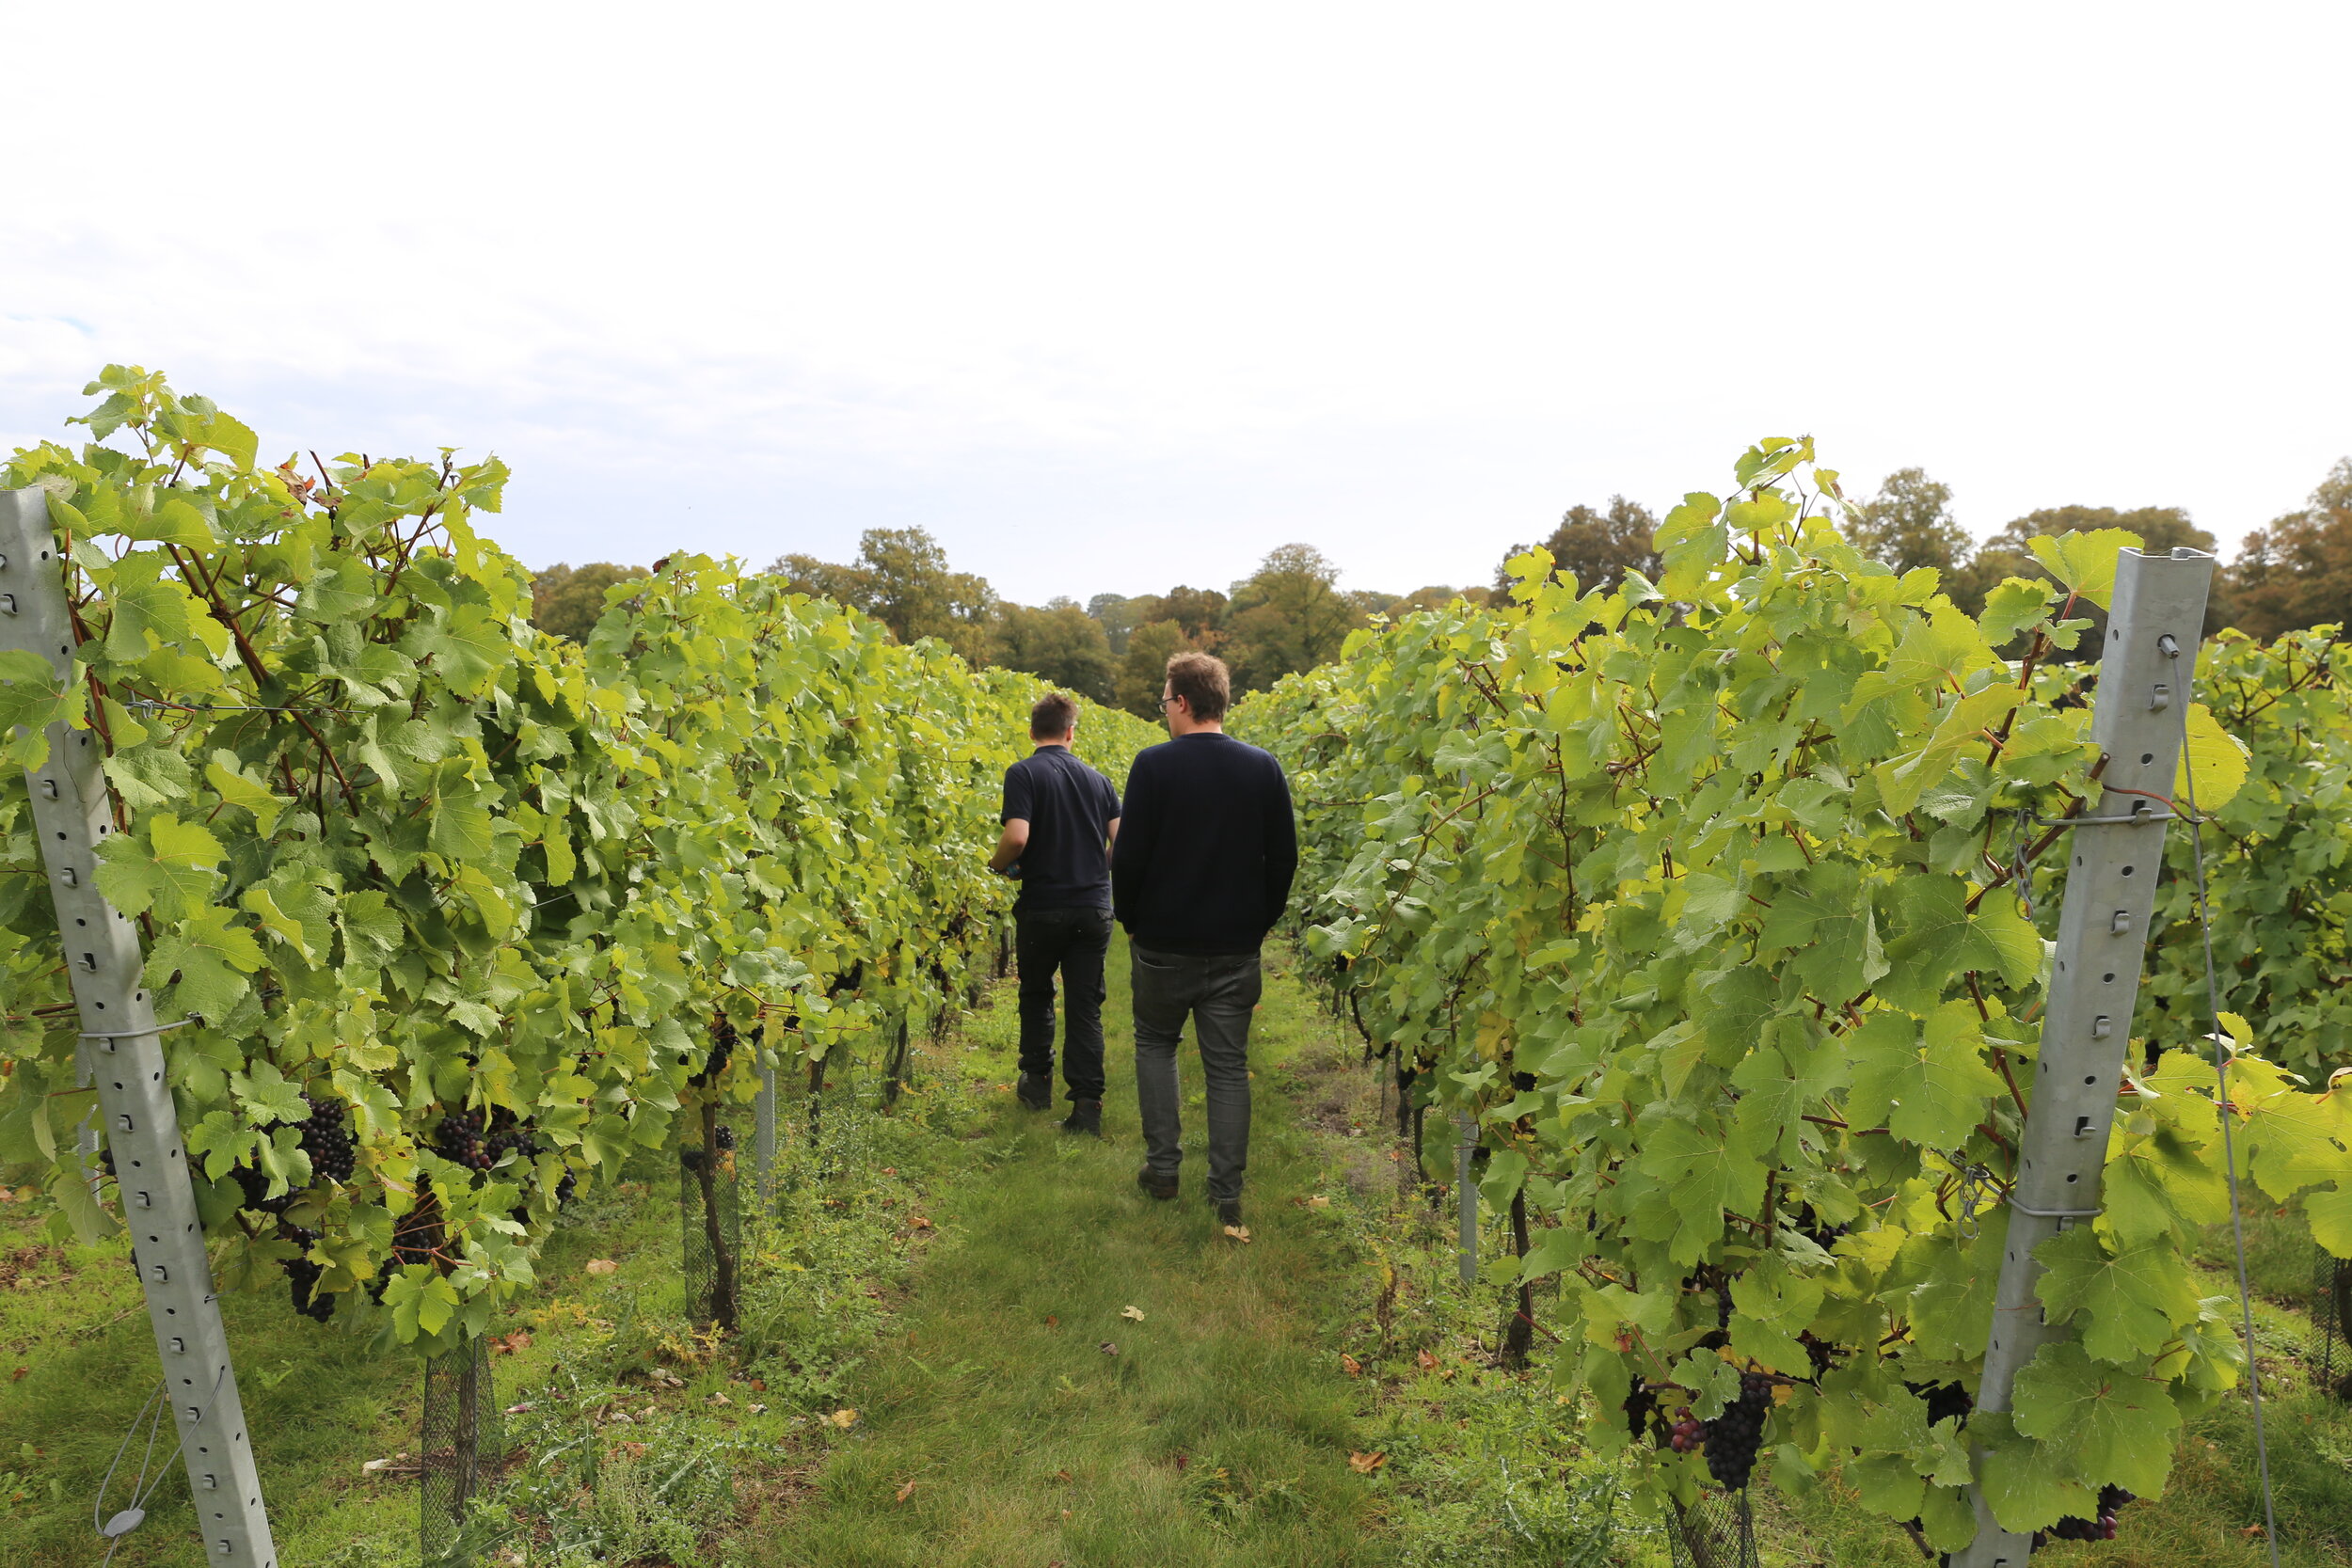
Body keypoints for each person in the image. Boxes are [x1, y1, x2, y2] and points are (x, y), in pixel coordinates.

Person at [1110, 651, 1297, 1229]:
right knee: (1226, 1067)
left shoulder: (1152, 766)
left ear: (1183, 702)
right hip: (1234, 948)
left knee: (1155, 1046)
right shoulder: (1262, 767)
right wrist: (1258, 923)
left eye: (1165, 701)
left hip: (1164, 943)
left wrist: (1131, 919)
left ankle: (1163, 1169)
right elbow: (1283, 860)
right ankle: (1226, 1192)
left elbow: (1130, 857)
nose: (1164, 711)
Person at [990, 691, 1121, 1134]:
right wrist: (1093, 867)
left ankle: (1037, 1082)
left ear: (1032, 732)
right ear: (1070, 732)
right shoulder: (1099, 781)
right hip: (1092, 909)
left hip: (1043, 906)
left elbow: (1018, 837)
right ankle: (1086, 1107)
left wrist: (997, 863)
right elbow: (1120, 844)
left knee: (1037, 994)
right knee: (1086, 1006)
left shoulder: (1023, 773)